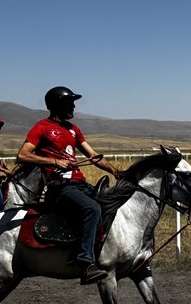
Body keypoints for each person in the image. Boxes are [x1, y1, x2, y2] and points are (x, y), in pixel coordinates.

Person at [17, 86, 120, 285]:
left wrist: (116, 171)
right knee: (91, 208)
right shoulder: (42, 127)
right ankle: (85, 264)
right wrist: (54, 162)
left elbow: (93, 156)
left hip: (79, 184)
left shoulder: (73, 129)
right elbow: (22, 155)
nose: (73, 106)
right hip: (59, 187)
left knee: (109, 204)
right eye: (69, 103)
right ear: (56, 105)